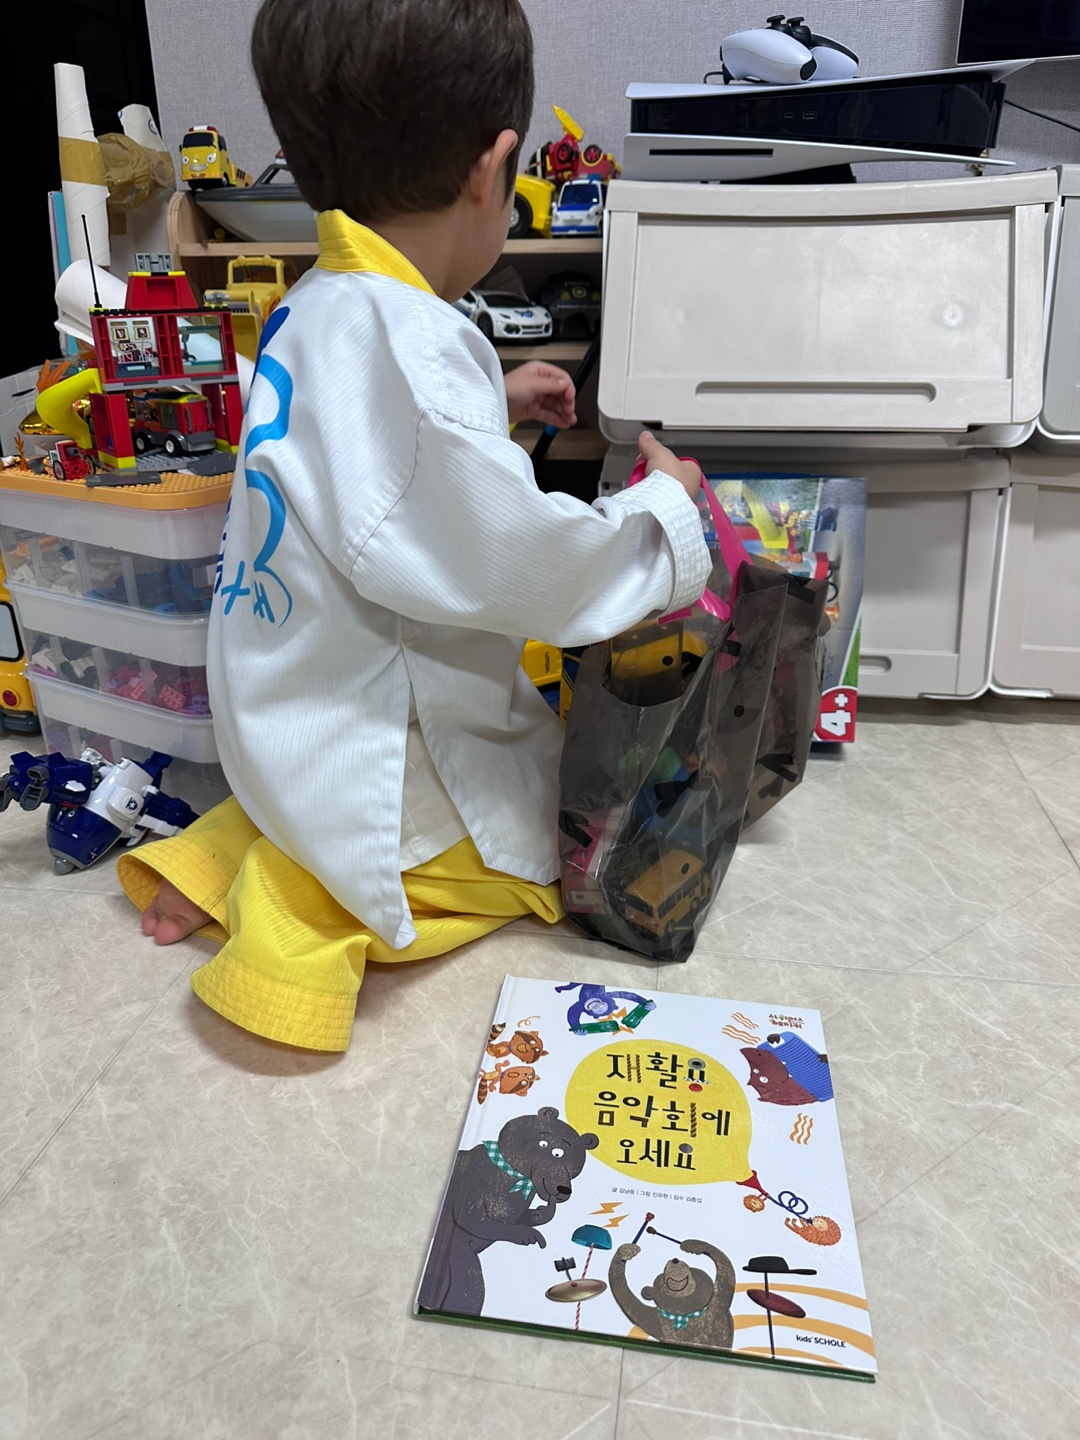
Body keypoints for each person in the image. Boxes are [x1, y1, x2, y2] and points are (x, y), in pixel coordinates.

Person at [120, 0, 710, 1052]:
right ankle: (300, 907)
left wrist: (489, 400)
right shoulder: (412, 346)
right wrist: (666, 515)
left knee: (335, 797)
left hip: (284, 726)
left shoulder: (314, 304)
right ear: (492, 169)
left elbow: (371, 462)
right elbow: (526, 564)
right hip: (378, 760)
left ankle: (251, 837)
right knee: (537, 861)